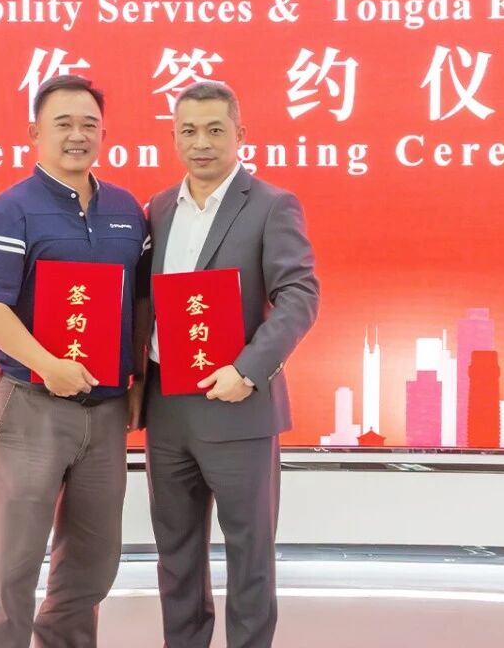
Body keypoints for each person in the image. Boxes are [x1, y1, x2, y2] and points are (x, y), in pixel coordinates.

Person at [0, 74, 148, 648]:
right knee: (15, 562)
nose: (77, 135)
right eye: (63, 124)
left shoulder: (127, 210)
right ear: (35, 133)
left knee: (93, 560)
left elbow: (141, 302)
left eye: (89, 125)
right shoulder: (8, 211)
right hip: (31, 405)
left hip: (106, 409)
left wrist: (139, 379)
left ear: (103, 134)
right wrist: (48, 363)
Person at [142, 81, 319, 648]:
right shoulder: (158, 209)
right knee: (175, 554)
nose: (202, 143)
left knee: (249, 556)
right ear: (174, 138)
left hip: (238, 405)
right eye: (189, 131)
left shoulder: (271, 205)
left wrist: (247, 370)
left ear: (240, 134)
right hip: (167, 407)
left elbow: (299, 296)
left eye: (215, 130)